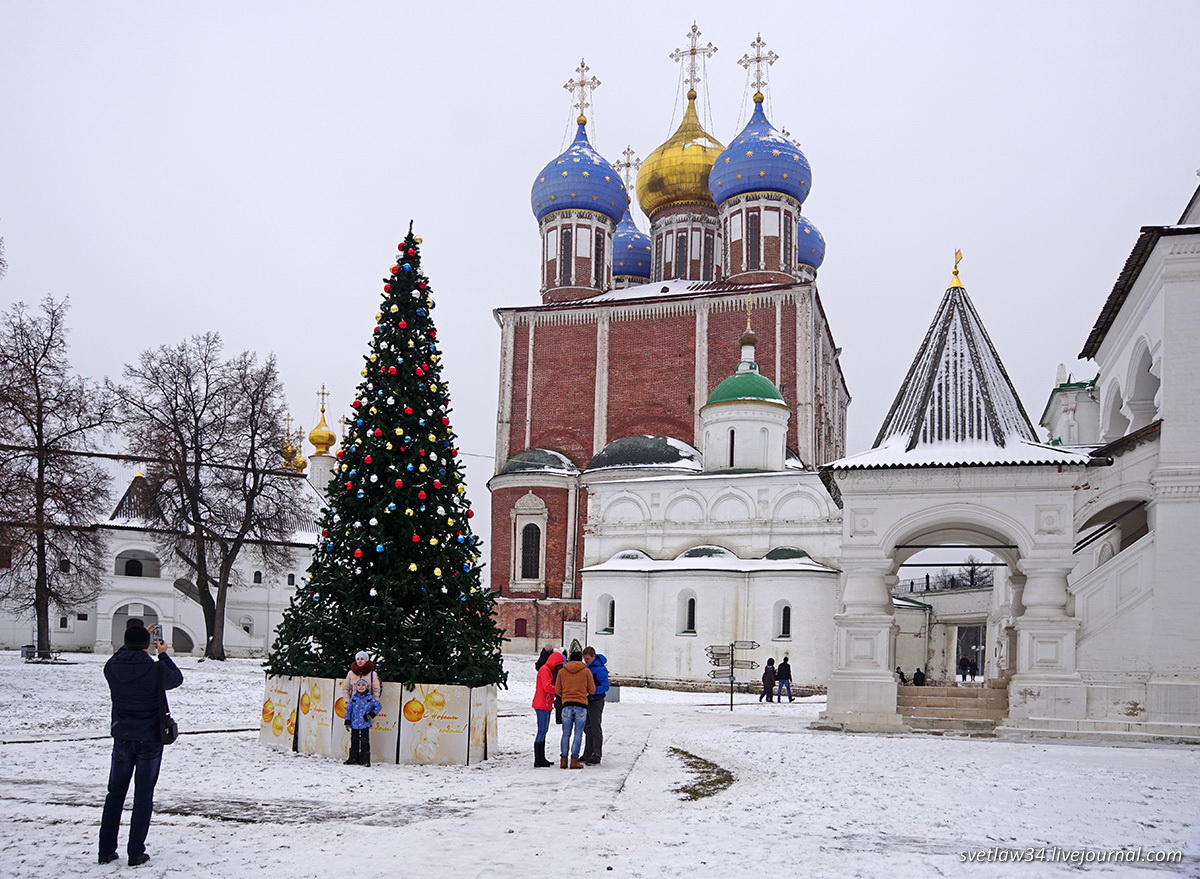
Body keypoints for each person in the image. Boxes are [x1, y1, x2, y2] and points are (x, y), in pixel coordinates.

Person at [99, 623, 182, 867]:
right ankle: (136, 851)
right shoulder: (155, 669)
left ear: (126, 643)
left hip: (123, 735)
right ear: (147, 645)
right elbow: (176, 679)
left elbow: (119, 656)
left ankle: (106, 850)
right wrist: (163, 654)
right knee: (143, 795)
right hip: (150, 738)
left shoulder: (112, 667)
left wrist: (135, 642)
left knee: (115, 794)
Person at [554, 650, 594, 769]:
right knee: (578, 733)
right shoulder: (586, 671)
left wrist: (566, 695)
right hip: (581, 705)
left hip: (566, 705)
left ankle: (563, 760)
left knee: (565, 733)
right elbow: (592, 690)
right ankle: (574, 760)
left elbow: (557, 690)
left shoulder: (562, 671)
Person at [532, 648, 563, 768]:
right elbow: (547, 687)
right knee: (542, 731)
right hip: (542, 704)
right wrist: (560, 689)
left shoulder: (547, 669)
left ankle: (541, 757)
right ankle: (538, 759)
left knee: (543, 730)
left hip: (545, 704)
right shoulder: (545, 670)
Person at [344, 678, 382, 766]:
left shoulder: (369, 698)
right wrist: (347, 721)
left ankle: (365, 760)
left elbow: (378, 706)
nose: (361, 687)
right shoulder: (354, 698)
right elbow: (349, 710)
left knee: (365, 742)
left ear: (366, 687)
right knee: (354, 741)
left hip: (365, 723)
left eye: (363, 685)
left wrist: (370, 715)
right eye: (359, 685)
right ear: (356, 687)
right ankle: (353, 758)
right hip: (354, 723)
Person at [581, 647, 608, 766]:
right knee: (587, 727)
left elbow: (605, 686)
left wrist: (592, 691)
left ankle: (597, 754)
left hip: (596, 701)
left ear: (593, 656)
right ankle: (588, 752)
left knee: (595, 727)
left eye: (587, 659)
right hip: (587, 700)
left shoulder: (600, 670)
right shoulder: (587, 667)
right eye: (584, 659)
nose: (586, 661)